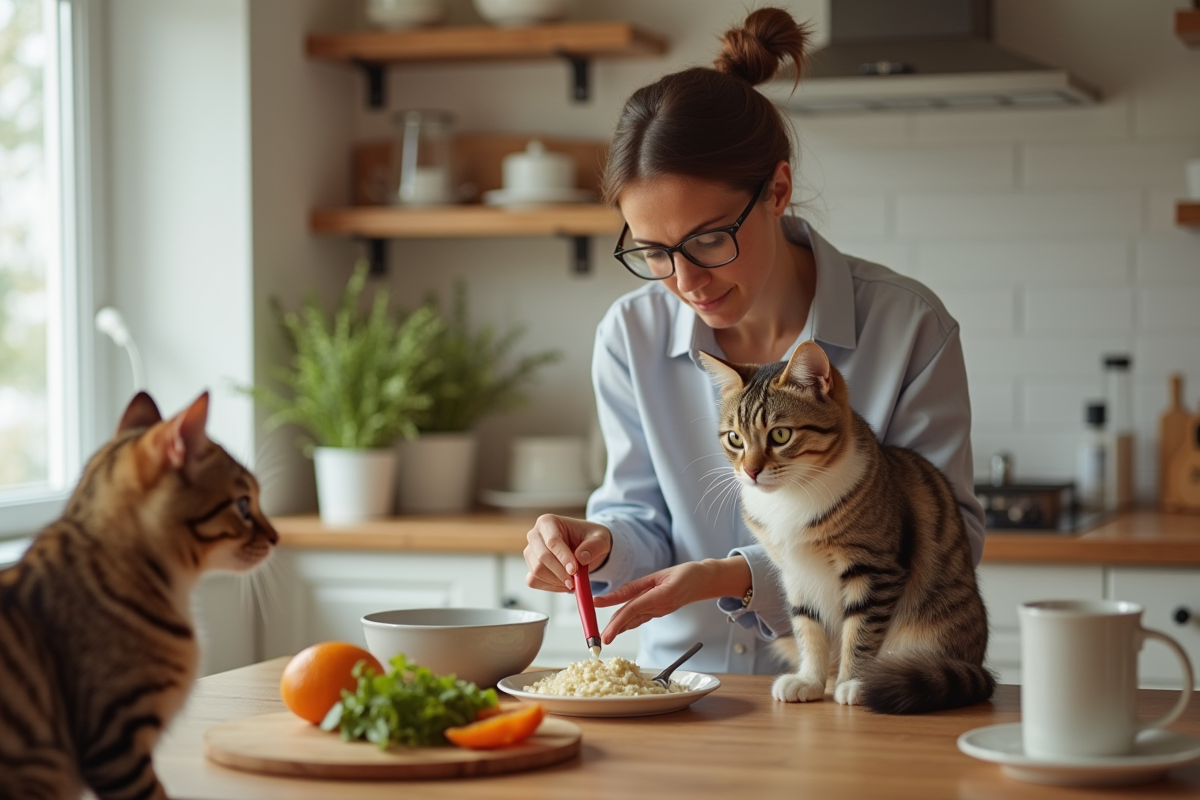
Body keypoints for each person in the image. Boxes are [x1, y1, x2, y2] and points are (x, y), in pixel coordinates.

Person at [522, 7, 986, 676]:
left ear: (777, 190)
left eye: (709, 239)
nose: (684, 280)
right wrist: (598, 542)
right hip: (678, 695)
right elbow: (640, 519)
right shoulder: (631, 334)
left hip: (859, 702)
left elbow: (953, 545)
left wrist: (738, 576)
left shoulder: (909, 328)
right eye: (653, 250)